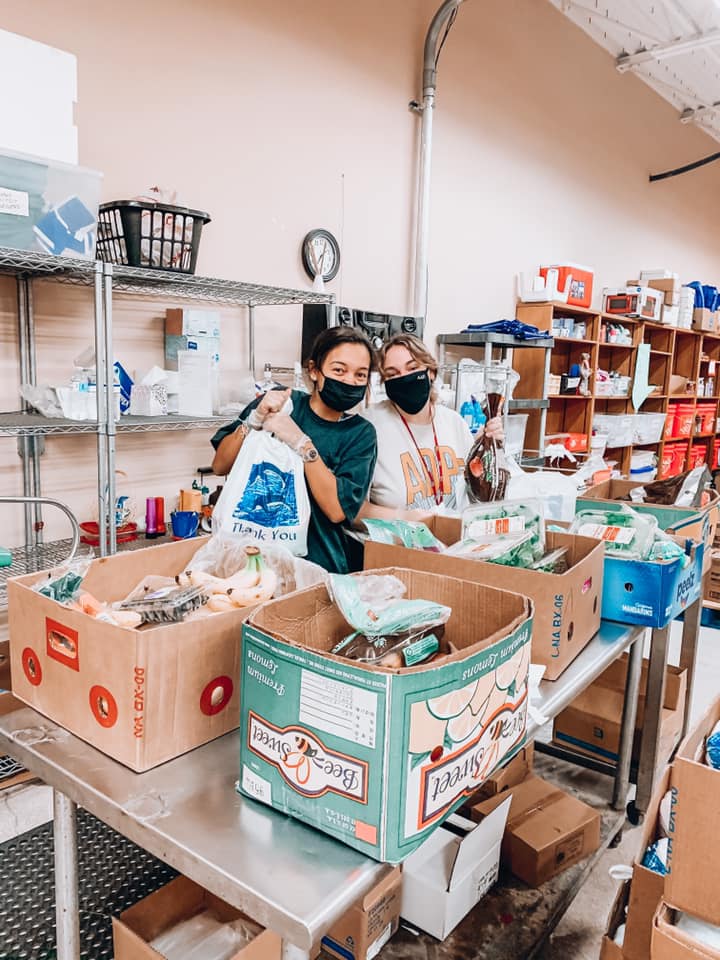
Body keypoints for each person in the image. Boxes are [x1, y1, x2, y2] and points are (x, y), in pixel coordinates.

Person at [210, 327, 377, 574]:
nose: (349, 381)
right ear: (314, 370)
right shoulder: (283, 403)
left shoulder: (360, 434)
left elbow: (336, 510)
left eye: (360, 375)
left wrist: (301, 443)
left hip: (317, 568)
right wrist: (253, 420)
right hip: (251, 560)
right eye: (339, 370)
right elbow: (220, 465)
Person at [360, 333, 503, 517]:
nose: (404, 379)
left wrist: (489, 448)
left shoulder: (454, 423)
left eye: (413, 368)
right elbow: (353, 511)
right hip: (401, 535)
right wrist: (403, 517)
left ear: (431, 372)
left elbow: (478, 490)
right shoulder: (369, 428)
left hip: (455, 532)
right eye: (392, 374)